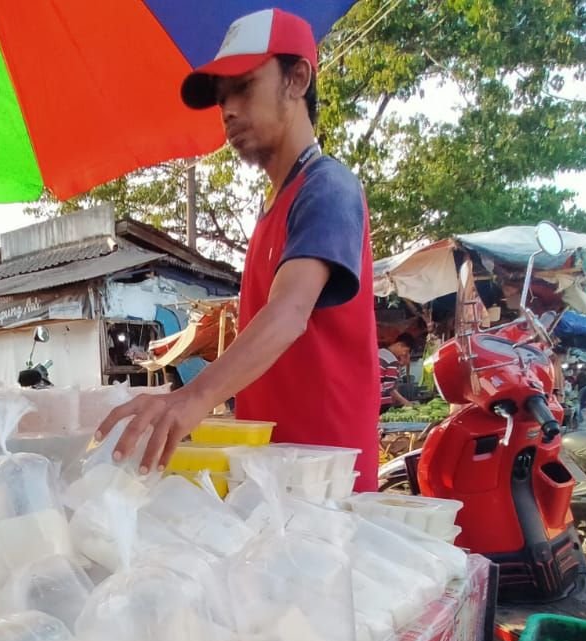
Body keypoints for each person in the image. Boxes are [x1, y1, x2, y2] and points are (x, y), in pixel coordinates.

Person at [96, 8, 379, 490]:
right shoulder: (275, 206)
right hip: (271, 476)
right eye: (222, 98)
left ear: (296, 79)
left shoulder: (327, 188)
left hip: (324, 484)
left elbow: (289, 314)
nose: (227, 110)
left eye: (244, 87)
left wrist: (194, 397)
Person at [379, 333, 417, 412]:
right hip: (382, 404)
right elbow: (390, 389)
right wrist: (406, 403)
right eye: (405, 351)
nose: (404, 354)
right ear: (399, 345)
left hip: (370, 401)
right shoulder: (392, 361)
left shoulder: (379, 353)